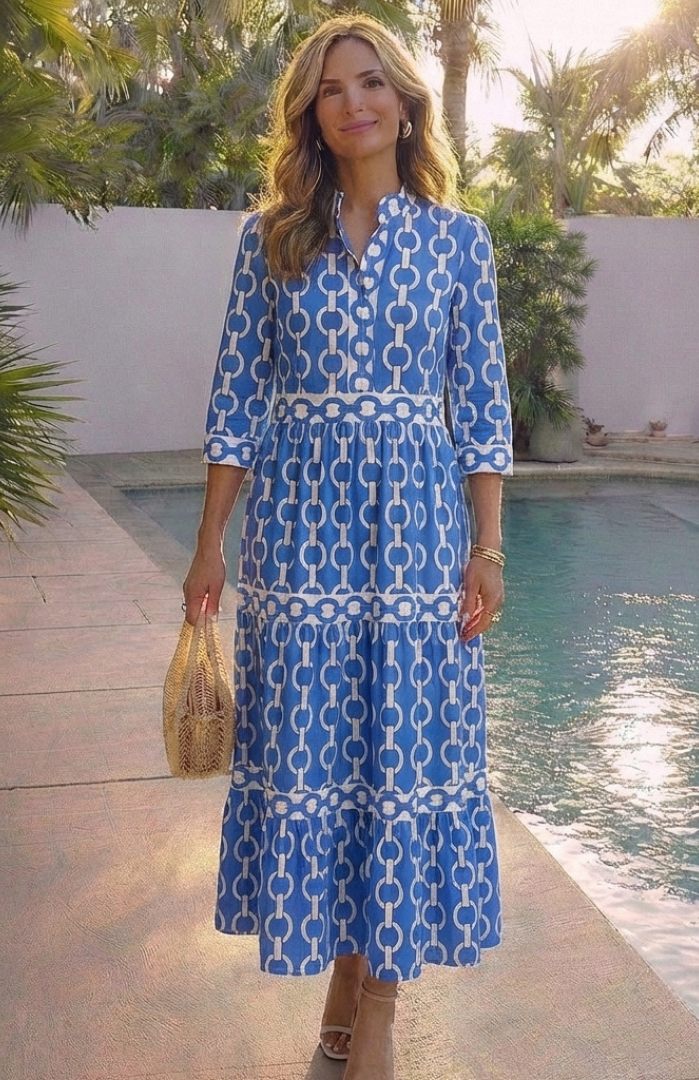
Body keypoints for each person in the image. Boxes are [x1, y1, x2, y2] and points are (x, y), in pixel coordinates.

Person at [183, 14, 513, 1079]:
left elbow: (482, 410)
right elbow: (236, 402)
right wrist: (209, 544)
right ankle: (341, 973)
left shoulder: (458, 243)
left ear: (406, 104)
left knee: (400, 764)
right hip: (299, 547)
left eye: (371, 82)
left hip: (418, 540)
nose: (354, 102)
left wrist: (488, 549)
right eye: (332, 89)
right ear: (312, 115)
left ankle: (375, 1005)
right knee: (323, 760)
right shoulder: (272, 238)